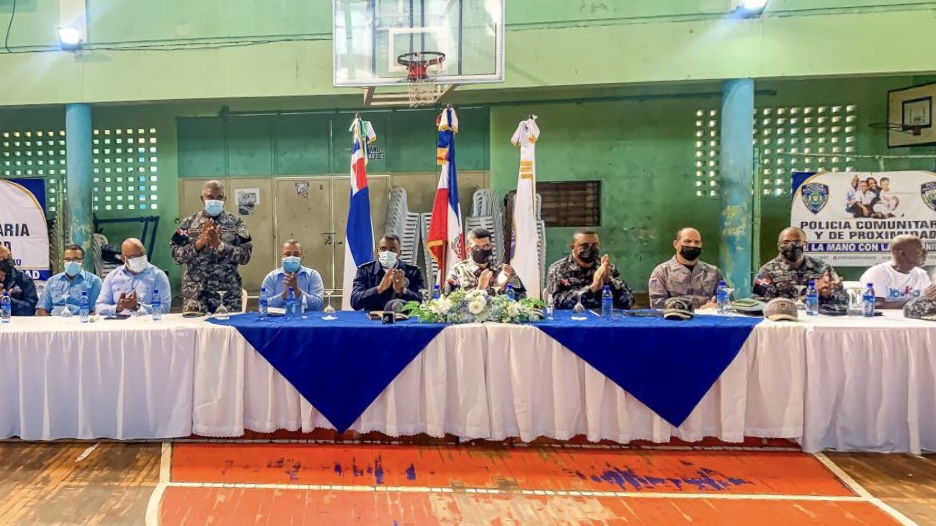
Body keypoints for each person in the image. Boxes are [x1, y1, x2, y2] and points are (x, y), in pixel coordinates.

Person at [171, 180, 253, 314]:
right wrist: (199, 244)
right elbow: (176, 256)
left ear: (225, 199)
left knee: (230, 327)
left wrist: (220, 246)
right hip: (196, 296)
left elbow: (245, 256)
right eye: (210, 197)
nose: (214, 201)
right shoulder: (188, 224)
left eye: (219, 197)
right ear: (202, 199)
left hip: (228, 296)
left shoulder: (237, 224)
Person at [753, 227, 847, 305]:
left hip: (817, 318)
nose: (792, 246)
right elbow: (760, 303)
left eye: (797, 242)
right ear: (779, 246)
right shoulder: (766, 271)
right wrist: (813, 293)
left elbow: (844, 300)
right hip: (783, 319)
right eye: (786, 242)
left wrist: (831, 293)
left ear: (805, 245)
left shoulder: (823, 268)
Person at [544, 229, 633, 310]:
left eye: (595, 245)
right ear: (572, 247)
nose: (591, 249)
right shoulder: (558, 269)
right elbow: (556, 303)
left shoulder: (608, 268)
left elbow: (628, 302)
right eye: (584, 245)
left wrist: (609, 280)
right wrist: (592, 288)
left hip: (604, 318)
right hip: (572, 318)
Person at [648, 227, 724, 309]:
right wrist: (698, 310)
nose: (693, 245)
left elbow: (726, 301)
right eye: (687, 241)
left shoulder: (714, 272)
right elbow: (657, 306)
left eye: (697, 242)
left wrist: (717, 305)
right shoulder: (661, 272)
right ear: (676, 244)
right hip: (675, 317)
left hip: (709, 317)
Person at [96, 238, 171, 317]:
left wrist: (137, 307)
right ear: (123, 258)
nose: (140, 258)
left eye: (142, 254)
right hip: (119, 323)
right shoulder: (112, 277)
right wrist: (117, 308)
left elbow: (165, 308)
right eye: (134, 257)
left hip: (145, 323)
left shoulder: (158, 276)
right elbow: (99, 308)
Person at [351, 234, 425, 311]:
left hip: (403, 317)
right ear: (378, 251)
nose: (387, 253)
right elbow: (355, 302)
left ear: (399, 253)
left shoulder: (413, 272)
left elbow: (422, 302)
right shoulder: (365, 270)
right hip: (372, 317)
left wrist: (402, 290)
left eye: (392, 250)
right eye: (383, 249)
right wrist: (379, 289)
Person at [446, 227, 526, 298]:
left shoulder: (504, 270)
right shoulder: (457, 271)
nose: (482, 250)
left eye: (486, 246)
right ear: (468, 250)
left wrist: (503, 289)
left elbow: (522, 299)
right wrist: (480, 289)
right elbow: (448, 302)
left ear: (492, 247)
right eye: (476, 247)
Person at [860, 235, 931, 309]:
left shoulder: (922, 274)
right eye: (919, 251)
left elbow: (928, 302)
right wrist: (914, 303)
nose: (925, 254)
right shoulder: (877, 273)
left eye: (925, 251)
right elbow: (876, 304)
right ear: (902, 253)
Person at [36, 244, 103, 316]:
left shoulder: (94, 282)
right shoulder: (52, 281)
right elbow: (42, 309)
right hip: (55, 320)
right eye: (67, 259)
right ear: (63, 261)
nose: (71, 262)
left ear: (82, 262)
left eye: (75, 259)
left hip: (80, 320)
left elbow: (94, 311)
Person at [260, 239, 324, 311]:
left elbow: (318, 306)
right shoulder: (271, 277)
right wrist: (284, 295)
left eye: (296, 255)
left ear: (301, 258)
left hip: (305, 317)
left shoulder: (312, 275)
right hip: (279, 318)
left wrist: (297, 291)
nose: (291, 258)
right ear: (281, 257)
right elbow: (264, 306)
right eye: (288, 254)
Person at [0, 245, 38, 316]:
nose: (8, 260)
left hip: (16, 321)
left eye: (9, 256)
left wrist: (8, 300)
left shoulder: (24, 279)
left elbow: (31, 308)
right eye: (3, 258)